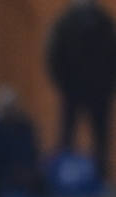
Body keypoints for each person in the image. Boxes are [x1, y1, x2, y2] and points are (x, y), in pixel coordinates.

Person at [46, 0, 116, 180]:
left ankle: (100, 179)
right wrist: (64, 83)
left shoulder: (104, 23)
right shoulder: (66, 23)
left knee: (99, 139)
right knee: (68, 137)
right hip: (76, 90)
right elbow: (54, 55)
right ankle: (64, 178)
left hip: (96, 91)